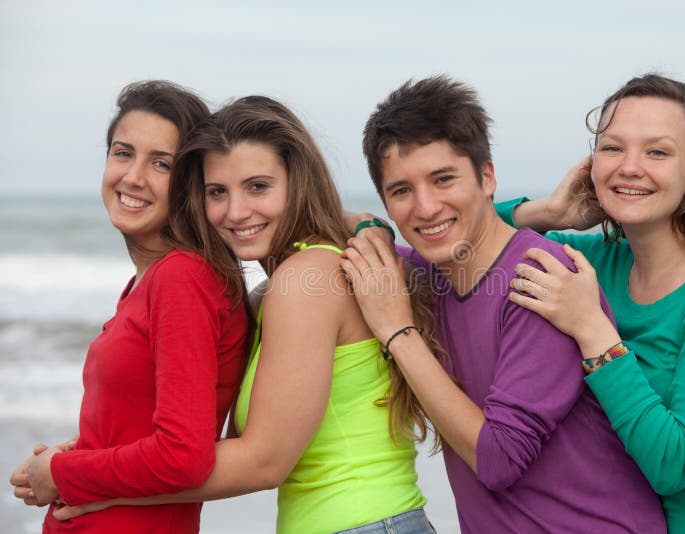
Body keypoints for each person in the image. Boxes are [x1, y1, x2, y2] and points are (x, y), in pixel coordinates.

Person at [45, 96, 434, 534]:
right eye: (217, 192)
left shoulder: (305, 280)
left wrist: (82, 479)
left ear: (297, 182)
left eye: (258, 187)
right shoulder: (279, 287)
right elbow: (219, 451)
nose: (235, 212)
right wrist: (92, 459)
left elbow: (261, 462)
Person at [341, 75, 666, 533]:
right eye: (401, 191)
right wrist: (367, 226)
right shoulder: (423, 273)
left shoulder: (542, 275)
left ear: (487, 176)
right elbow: (314, 219)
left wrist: (399, 334)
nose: (426, 206)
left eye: (444, 179)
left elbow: (498, 460)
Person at [498, 73, 685, 532]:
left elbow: (674, 463)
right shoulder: (597, 263)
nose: (629, 166)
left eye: (657, 152)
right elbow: (463, 243)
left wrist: (592, 327)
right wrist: (546, 212)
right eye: (613, 148)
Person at [9, 80, 249, 533]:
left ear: (191, 182)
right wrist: (69, 456)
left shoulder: (183, 278)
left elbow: (183, 457)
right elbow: (139, 426)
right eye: (123, 153)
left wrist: (60, 474)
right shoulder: (150, 281)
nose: (133, 177)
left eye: (161, 163)